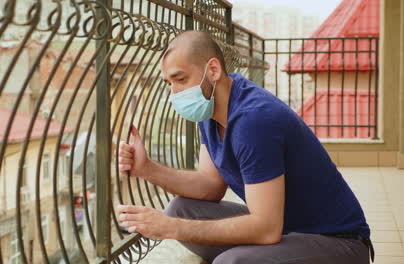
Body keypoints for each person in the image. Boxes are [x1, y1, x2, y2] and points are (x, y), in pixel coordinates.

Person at [117, 31, 373, 264]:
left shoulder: (254, 121)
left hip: (339, 243)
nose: (174, 94)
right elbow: (209, 186)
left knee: (232, 262)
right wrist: (147, 169)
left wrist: (171, 228)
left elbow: (266, 228)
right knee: (181, 209)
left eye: (180, 79)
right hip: (287, 228)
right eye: (168, 83)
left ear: (213, 70)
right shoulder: (211, 107)